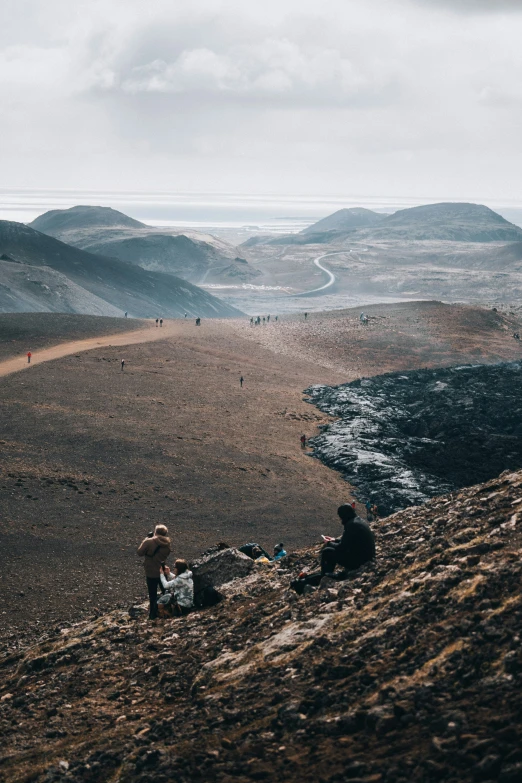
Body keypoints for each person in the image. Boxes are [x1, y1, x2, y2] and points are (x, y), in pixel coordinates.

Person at [320, 504, 375, 576]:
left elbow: (341, 547)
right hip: (366, 557)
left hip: (359, 562)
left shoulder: (351, 525)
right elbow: (349, 541)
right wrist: (334, 540)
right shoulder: (358, 521)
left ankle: (325, 575)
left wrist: (328, 543)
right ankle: (329, 574)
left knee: (327, 551)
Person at [137, 525, 171, 620]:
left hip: (151, 571)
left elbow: (140, 552)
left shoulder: (149, 541)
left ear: (156, 531)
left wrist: (146, 539)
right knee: (166, 592)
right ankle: (168, 611)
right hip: (162, 571)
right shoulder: (167, 543)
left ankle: (153, 615)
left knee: (153, 594)